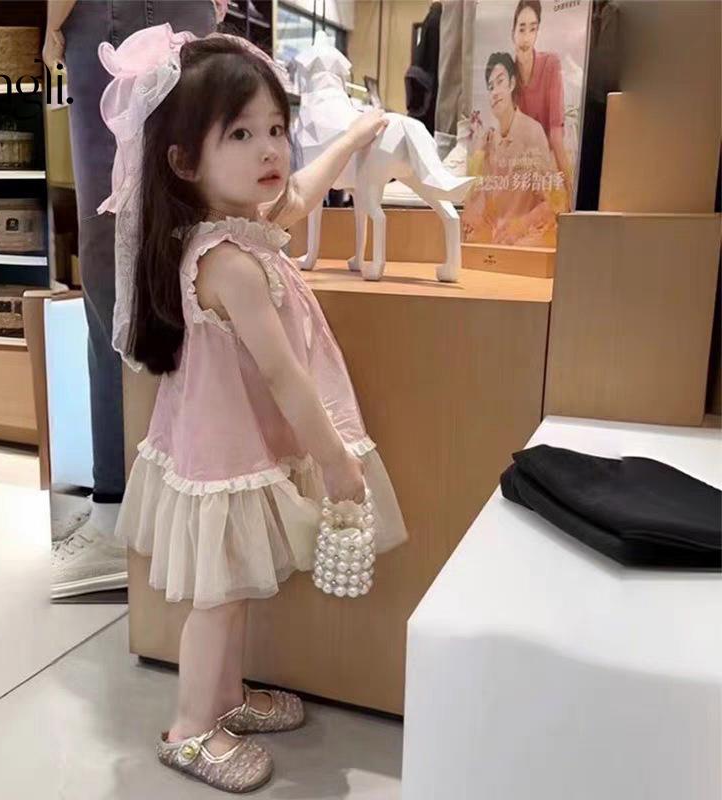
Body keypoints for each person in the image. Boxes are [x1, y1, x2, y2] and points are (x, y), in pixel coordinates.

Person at [95, 25, 407, 793]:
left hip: (235, 447)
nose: (270, 148)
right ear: (182, 160)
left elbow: (301, 192)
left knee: (232, 591)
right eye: (240, 133)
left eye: (275, 128)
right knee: (220, 599)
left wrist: (355, 135)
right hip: (225, 453)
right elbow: (284, 374)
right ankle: (189, 729)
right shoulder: (228, 262)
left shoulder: (236, 230)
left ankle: (226, 698)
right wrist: (335, 461)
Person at [42, 1, 225, 599]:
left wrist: (53, 25)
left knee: (111, 259)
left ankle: (117, 514)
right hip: (190, 14)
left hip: (110, 17)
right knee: (195, 240)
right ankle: (200, 499)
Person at [462, 52, 557, 247]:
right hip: (495, 242)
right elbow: (473, 203)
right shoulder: (488, 140)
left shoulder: (532, 132)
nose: (495, 92)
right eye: (490, 87)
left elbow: (552, 203)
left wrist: (520, 226)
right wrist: (479, 154)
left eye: (500, 82)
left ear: (512, 83)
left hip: (524, 241)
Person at [511, 0, 573, 209]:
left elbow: (556, 134)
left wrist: (569, 192)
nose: (526, 37)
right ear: (513, 32)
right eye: (521, 29)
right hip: (520, 165)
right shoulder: (507, 74)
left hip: (548, 160)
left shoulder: (550, 64)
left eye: (532, 29)